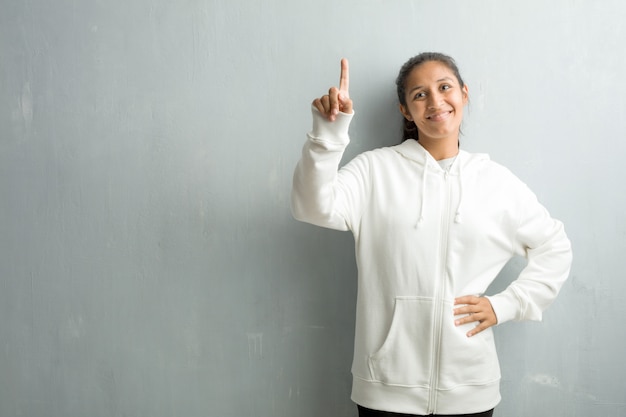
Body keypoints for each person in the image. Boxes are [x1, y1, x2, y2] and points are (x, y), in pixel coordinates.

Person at [291, 53, 572, 417]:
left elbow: (555, 246)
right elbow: (312, 206)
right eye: (420, 95)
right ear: (406, 111)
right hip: (385, 389)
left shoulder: (497, 183)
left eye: (444, 88)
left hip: (470, 390)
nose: (435, 102)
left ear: (464, 94)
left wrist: (506, 304)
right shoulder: (375, 170)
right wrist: (329, 132)